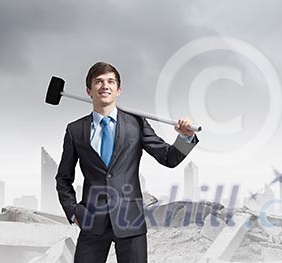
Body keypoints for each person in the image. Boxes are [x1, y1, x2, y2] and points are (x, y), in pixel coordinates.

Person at [55, 61, 198, 263]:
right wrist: (74, 212)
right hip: (91, 221)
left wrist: (185, 138)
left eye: (110, 81)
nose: (105, 86)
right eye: (98, 82)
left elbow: (168, 158)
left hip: (130, 221)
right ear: (89, 90)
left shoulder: (136, 124)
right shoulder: (75, 130)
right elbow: (63, 178)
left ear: (118, 90)